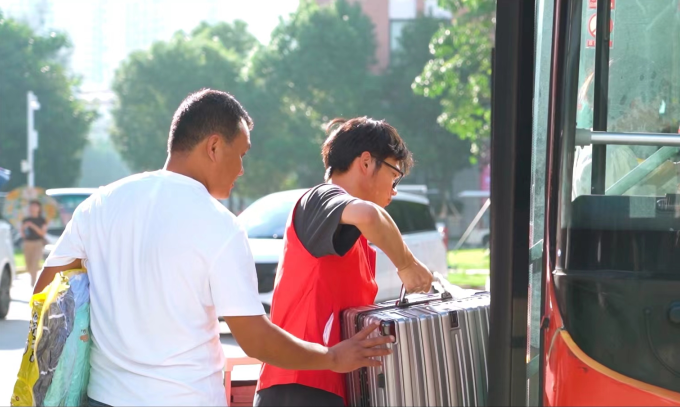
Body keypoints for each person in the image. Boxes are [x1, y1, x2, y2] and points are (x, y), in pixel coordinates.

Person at [34, 90, 393, 406]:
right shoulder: (219, 225)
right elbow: (256, 340)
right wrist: (332, 357)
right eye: (241, 154)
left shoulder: (101, 203)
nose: (242, 170)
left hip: (103, 397)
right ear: (214, 147)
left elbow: (46, 295)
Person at [255, 117, 435, 406]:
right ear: (366, 162)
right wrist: (407, 265)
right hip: (300, 386)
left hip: (326, 385)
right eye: (394, 175)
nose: (394, 189)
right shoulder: (320, 198)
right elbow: (369, 215)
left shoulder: (353, 232)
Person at [21, 200, 48, 287]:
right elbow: (22, 233)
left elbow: (42, 233)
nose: (33, 208)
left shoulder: (42, 220)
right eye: (32, 206)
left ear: (39, 208)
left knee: (35, 262)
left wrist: (33, 226)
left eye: (35, 206)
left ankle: (33, 281)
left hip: (38, 243)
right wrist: (25, 227)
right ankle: (32, 276)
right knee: (28, 264)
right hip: (27, 243)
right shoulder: (26, 220)